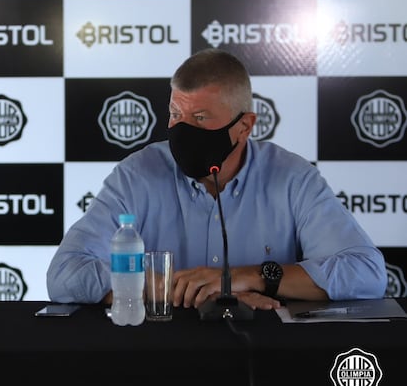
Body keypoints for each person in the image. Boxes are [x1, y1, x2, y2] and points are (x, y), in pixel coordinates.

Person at [47, 48, 387, 310]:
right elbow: (65, 274)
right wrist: (174, 289)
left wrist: (247, 279)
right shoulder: (138, 174)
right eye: (176, 114)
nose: (182, 130)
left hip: (265, 359)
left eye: (200, 118)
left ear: (244, 126)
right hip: (159, 356)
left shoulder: (293, 178)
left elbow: (366, 273)